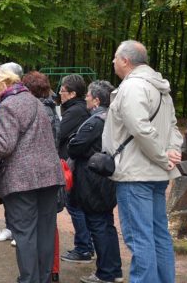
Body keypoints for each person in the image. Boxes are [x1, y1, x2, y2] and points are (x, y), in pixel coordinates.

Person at [0, 68, 64, 283]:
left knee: (25, 234)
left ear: (2, 85)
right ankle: (44, 278)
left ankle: (29, 279)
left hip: (22, 180)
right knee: (45, 232)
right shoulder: (36, 101)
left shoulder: (9, 105)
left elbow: (3, 146)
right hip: (49, 176)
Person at [103, 41, 183, 283]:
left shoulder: (133, 87)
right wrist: (171, 152)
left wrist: (163, 155)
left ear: (125, 60)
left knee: (140, 239)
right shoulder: (160, 88)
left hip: (135, 175)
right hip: (156, 174)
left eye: (115, 58)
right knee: (158, 235)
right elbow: (173, 129)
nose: (113, 62)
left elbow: (140, 129)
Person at [68, 81, 123, 283]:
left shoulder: (96, 121)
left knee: (99, 225)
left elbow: (75, 147)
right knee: (106, 225)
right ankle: (113, 270)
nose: (86, 99)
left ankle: (106, 273)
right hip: (106, 179)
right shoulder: (112, 118)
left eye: (88, 96)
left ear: (97, 100)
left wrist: (74, 138)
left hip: (93, 181)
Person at [22, 70, 63, 281]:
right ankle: (48, 272)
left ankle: (44, 274)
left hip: (38, 176)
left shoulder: (36, 111)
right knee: (47, 227)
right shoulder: (52, 109)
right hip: (51, 174)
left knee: (39, 228)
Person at [57, 74, 94, 264]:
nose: (60, 94)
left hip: (74, 163)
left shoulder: (75, 111)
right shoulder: (77, 109)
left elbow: (59, 134)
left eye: (62, 91)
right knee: (77, 204)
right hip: (76, 162)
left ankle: (84, 248)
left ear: (72, 93)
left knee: (74, 204)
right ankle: (87, 245)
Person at [0, 62, 24, 247]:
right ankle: (10, 227)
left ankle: (19, 231)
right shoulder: (2, 100)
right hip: (3, 155)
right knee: (8, 196)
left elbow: (5, 143)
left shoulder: (14, 102)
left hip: (14, 158)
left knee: (19, 199)